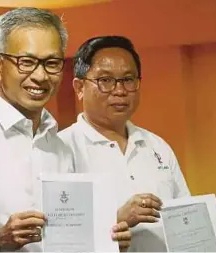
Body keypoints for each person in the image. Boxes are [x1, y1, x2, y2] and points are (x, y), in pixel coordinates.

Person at [0, 8, 131, 252]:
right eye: (27, 62)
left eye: (52, 63)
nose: (41, 76)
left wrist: (106, 238)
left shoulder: (60, 147)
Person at [59, 35, 190, 251]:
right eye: (106, 81)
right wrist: (118, 218)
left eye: (128, 79)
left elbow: (185, 216)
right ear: (79, 87)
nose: (120, 91)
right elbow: (58, 238)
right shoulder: (62, 149)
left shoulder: (157, 146)